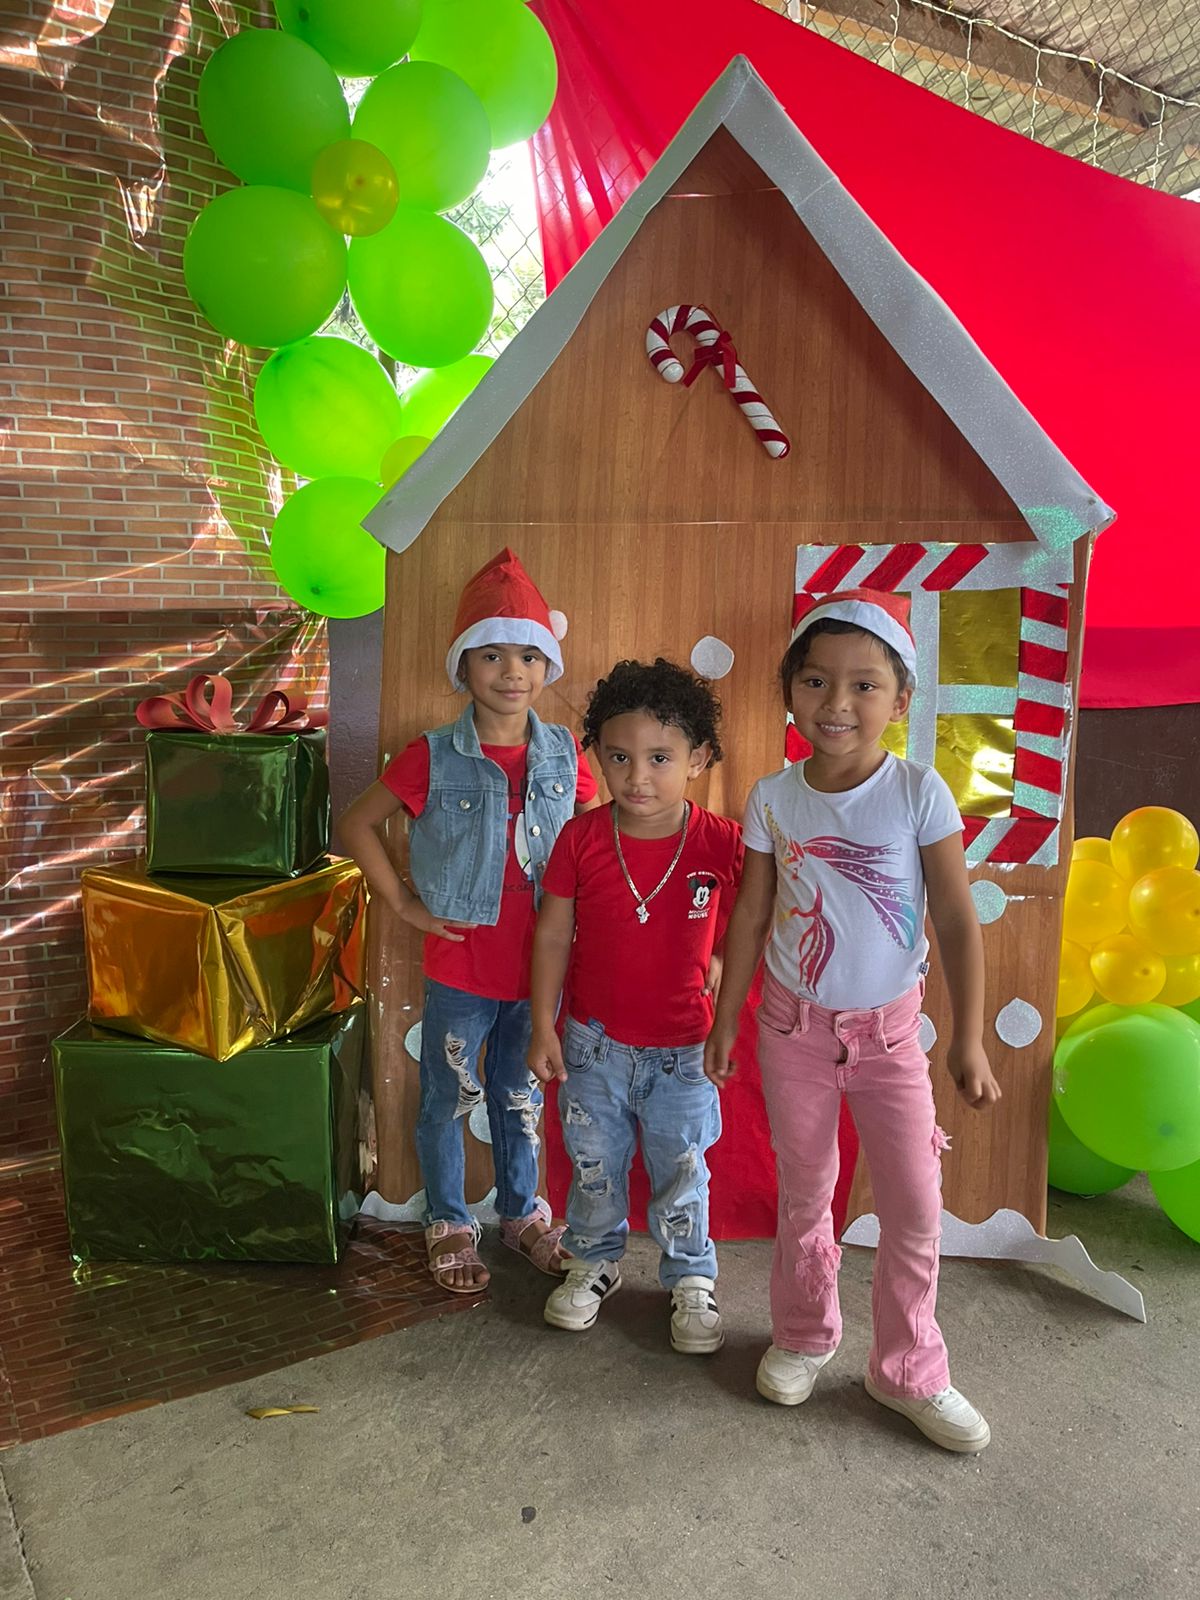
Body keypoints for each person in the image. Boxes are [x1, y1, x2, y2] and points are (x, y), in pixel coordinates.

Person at [705, 589, 1001, 1452]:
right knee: (806, 1191)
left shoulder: (918, 792)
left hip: (891, 1039)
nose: (837, 703)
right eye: (816, 681)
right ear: (789, 692)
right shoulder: (773, 797)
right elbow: (751, 916)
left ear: (899, 700)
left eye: (864, 685)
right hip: (791, 1031)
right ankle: (804, 1334)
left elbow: (956, 918)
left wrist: (970, 1038)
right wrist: (726, 1021)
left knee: (914, 1202)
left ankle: (908, 1368)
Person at [339, 548, 598, 1295]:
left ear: (546, 666)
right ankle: (449, 1219)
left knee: (522, 1094)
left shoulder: (565, 753)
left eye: (528, 655)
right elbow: (357, 825)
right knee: (447, 1096)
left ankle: (521, 1213)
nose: (512, 671)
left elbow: (593, 836)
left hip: (540, 966)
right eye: (492, 654)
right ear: (464, 665)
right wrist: (404, 904)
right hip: (461, 965)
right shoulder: (431, 755)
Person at [528, 659, 743, 1354]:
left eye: (659, 758)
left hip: (685, 1049)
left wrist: (720, 963)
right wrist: (541, 1025)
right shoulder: (582, 838)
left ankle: (691, 1276)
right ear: (597, 756)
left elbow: (754, 923)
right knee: (594, 1163)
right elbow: (552, 933)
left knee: (684, 1169)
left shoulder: (722, 842)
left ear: (698, 759)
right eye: (618, 757)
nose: (637, 777)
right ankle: (594, 1261)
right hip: (592, 1045)